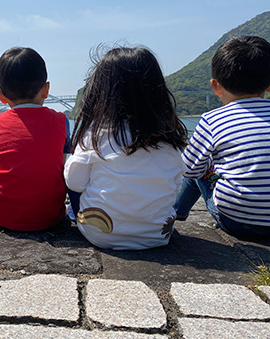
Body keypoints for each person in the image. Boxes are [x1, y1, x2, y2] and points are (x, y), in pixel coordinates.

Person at [173, 36, 270, 238]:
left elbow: (188, 169)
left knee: (199, 165)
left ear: (215, 85)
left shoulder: (212, 119)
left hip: (240, 222)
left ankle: (175, 215)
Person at [64, 46, 188, 250]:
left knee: (76, 175)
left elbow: (74, 183)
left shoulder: (96, 135)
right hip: (159, 234)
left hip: (100, 234)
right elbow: (175, 188)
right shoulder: (169, 139)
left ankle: (77, 214)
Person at [0, 47, 70, 231]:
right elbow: (60, 165)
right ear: (46, 89)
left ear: (1, 96)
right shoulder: (61, 121)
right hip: (49, 214)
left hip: (0, 214)